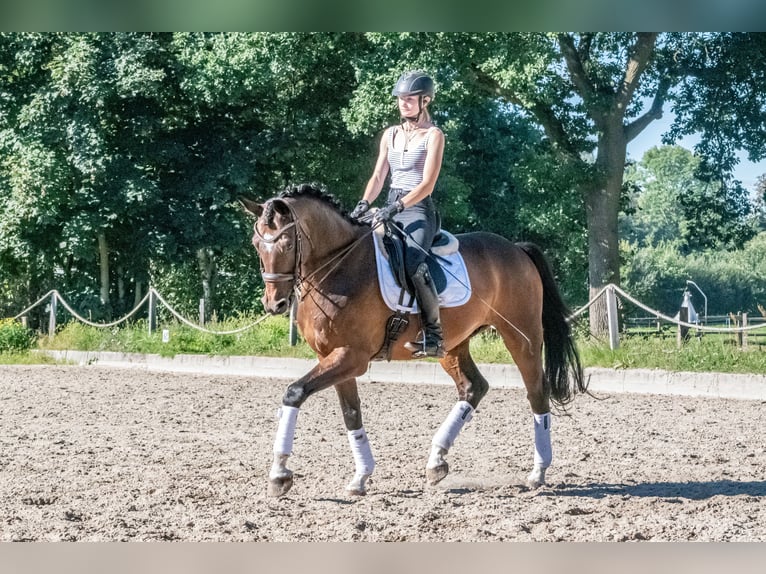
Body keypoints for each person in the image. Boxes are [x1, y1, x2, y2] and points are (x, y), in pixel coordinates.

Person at [350, 70, 446, 358]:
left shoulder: (433, 136)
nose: (403, 103)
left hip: (417, 209)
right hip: (390, 204)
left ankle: (434, 335)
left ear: (424, 100)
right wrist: (364, 204)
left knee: (414, 262)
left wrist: (398, 206)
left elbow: (427, 184)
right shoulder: (390, 134)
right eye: (400, 99)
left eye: (409, 99)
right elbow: (379, 174)